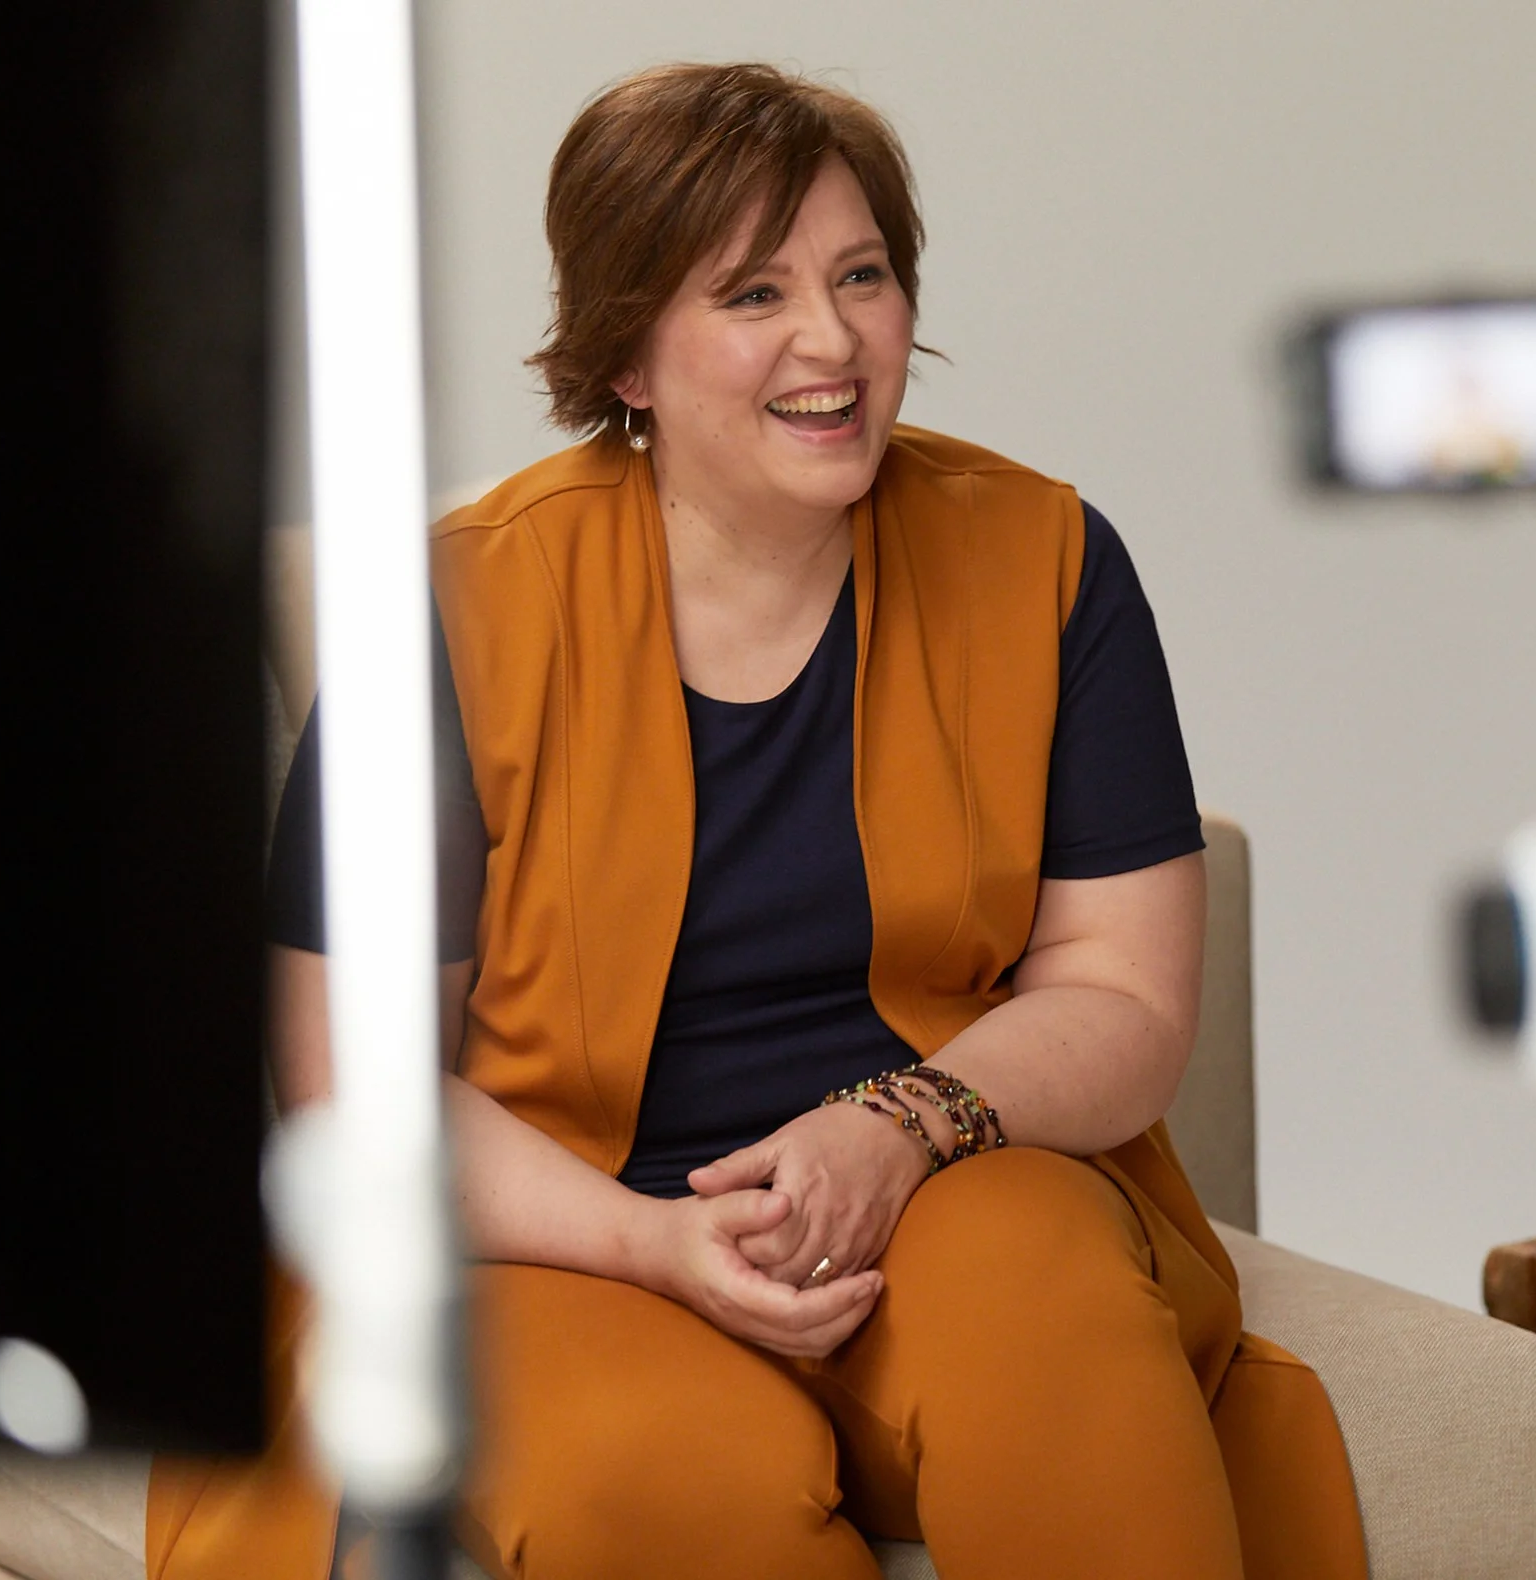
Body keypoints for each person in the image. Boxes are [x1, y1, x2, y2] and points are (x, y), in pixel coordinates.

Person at [146, 63, 1366, 1580]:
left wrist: (898, 1126)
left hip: (940, 1177)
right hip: (559, 1236)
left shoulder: (1047, 557)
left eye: (863, 275)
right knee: (660, 1478)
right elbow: (359, 1090)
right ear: (628, 359)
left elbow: (1124, 990)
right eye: (753, 293)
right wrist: (656, 1243)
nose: (833, 339)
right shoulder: (456, 615)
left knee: (1060, 1331)